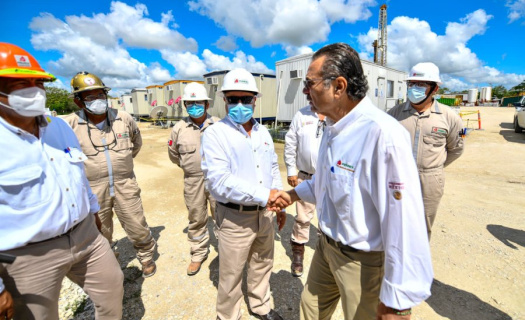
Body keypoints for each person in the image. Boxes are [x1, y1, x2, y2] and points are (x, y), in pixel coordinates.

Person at [269, 43, 433, 319]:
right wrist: (293, 195)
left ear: (339, 86)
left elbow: (404, 222)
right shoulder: (332, 127)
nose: (305, 91)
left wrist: (398, 301)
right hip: (326, 247)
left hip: (363, 262)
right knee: (310, 310)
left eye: (310, 83)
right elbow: (327, 181)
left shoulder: (382, 135)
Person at [0, 43, 124, 319]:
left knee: (113, 289)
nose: (33, 90)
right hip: (28, 255)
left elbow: (77, 175)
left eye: (38, 82)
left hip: (86, 236)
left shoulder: (58, 128)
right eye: (19, 84)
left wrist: (93, 212)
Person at [201, 68, 286, 320]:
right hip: (235, 217)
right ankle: (228, 315)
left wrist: (277, 200)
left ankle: (261, 306)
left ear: (254, 100)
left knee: (262, 263)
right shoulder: (215, 134)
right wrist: (265, 195)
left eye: (246, 99)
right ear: (224, 100)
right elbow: (219, 182)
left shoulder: (263, 132)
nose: (240, 105)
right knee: (231, 272)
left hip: (266, 213)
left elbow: (272, 166)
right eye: (233, 99)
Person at [64, 71, 157, 277]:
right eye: (90, 97)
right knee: (100, 231)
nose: (97, 100)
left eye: (100, 95)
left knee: (137, 224)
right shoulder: (69, 125)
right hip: (93, 189)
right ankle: (110, 264)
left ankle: (146, 257)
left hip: (125, 184)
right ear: (78, 102)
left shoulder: (122, 118)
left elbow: (136, 143)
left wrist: (121, 164)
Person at [388, 62, 464, 239]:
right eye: (411, 84)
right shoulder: (394, 114)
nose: (415, 88)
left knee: (422, 226)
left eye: (421, 84)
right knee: (394, 221)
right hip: (398, 176)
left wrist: (433, 167)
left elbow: (456, 148)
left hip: (429, 179)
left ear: (434, 89)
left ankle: (415, 264)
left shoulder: (449, 117)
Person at [168, 82, 219, 276]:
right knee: (196, 217)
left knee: (221, 216)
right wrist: (190, 168)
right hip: (192, 180)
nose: (194, 106)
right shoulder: (179, 128)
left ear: (207, 105)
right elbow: (174, 155)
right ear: (185, 105)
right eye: (190, 103)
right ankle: (198, 253)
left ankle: (226, 251)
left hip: (217, 180)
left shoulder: (219, 124)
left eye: (199, 102)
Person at [284, 105, 325, 277]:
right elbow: (291, 142)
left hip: (328, 178)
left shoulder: (336, 112)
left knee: (327, 220)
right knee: (302, 217)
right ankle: (298, 254)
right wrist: (291, 170)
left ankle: (326, 257)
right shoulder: (301, 114)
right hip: (305, 175)